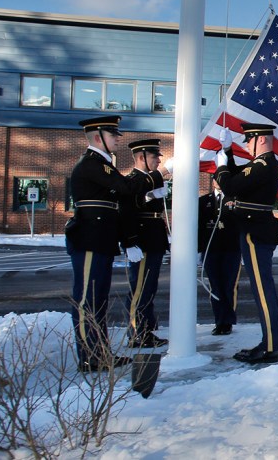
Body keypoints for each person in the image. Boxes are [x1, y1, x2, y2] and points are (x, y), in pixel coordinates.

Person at [65, 116, 164, 372]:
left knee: (98, 301)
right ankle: (90, 356)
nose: (118, 138)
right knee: (88, 299)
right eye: (113, 135)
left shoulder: (102, 164)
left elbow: (118, 203)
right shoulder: (93, 164)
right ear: (98, 138)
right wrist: (156, 177)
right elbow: (125, 188)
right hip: (90, 237)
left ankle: (100, 352)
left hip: (100, 238)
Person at [216, 123, 278, 364]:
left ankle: (270, 347)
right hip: (254, 230)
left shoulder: (264, 164)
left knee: (263, 291)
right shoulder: (260, 165)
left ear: (262, 140)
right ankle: (271, 342)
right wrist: (227, 152)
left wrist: (221, 167)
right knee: (262, 290)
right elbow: (239, 177)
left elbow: (230, 185)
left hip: (255, 233)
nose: (246, 144)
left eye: (249, 140)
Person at [120, 139, 171, 348]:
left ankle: (146, 328)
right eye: (154, 157)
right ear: (141, 158)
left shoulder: (147, 182)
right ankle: (137, 332)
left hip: (154, 239)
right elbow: (126, 211)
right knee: (140, 287)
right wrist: (130, 242)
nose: (158, 161)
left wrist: (152, 196)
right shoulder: (133, 180)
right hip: (142, 241)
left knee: (149, 286)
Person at [198, 178, 241, 336]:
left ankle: (228, 321)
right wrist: (198, 249)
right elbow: (199, 226)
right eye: (216, 178)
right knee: (215, 287)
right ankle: (219, 321)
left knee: (229, 286)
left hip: (231, 249)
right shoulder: (203, 201)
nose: (219, 181)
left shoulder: (235, 200)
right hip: (211, 249)